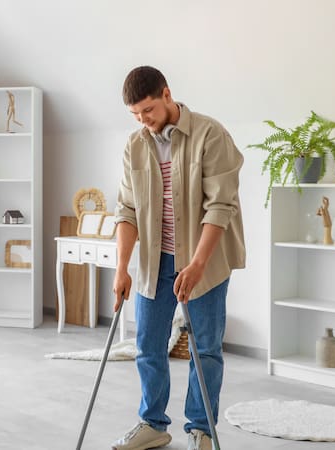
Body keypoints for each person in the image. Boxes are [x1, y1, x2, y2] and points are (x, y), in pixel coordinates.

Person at [111, 66, 246, 450]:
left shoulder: (210, 134)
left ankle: (201, 430)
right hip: (155, 262)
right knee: (148, 346)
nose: (143, 120)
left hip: (204, 261)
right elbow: (127, 210)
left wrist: (198, 264)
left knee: (205, 350)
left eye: (148, 110)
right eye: (135, 114)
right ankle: (152, 424)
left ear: (167, 95)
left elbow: (220, 206)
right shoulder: (135, 145)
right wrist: (122, 268)